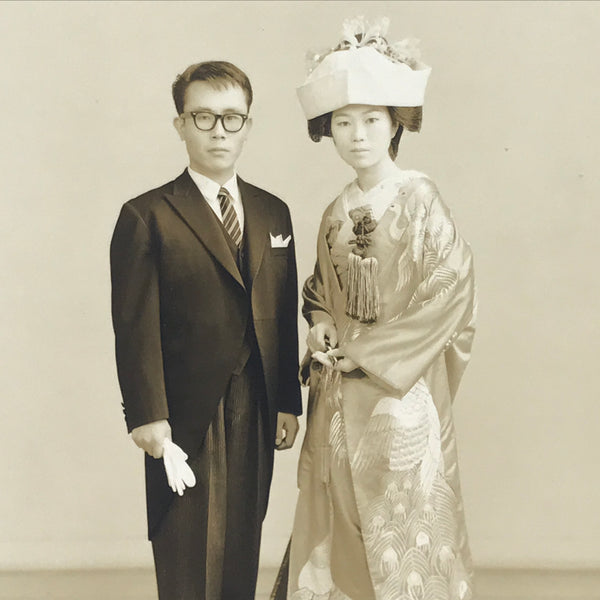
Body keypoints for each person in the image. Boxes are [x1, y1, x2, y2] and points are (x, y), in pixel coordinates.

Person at [273, 17, 477, 600]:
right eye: (342, 122)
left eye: (370, 120)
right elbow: (319, 291)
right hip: (339, 394)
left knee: (404, 524)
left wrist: (367, 353)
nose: (357, 135)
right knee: (337, 514)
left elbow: (450, 289)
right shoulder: (335, 211)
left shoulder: (420, 198)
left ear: (394, 124)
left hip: (398, 392)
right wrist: (320, 325)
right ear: (328, 131)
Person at [110, 60, 302, 600]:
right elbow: (133, 325)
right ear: (181, 125)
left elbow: (281, 312)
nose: (219, 131)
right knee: (188, 544)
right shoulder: (147, 215)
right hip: (184, 409)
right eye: (203, 117)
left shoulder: (273, 212)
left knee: (242, 536)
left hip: (256, 400)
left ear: (247, 125)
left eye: (231, 118)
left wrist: (287, 401)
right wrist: (147, 414)